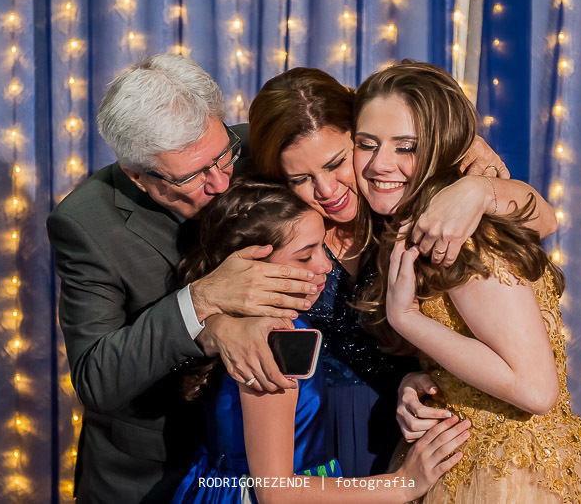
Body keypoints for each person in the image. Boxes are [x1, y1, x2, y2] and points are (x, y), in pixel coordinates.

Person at [354, 60, 581, 503]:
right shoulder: (417, 222)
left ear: (439, 148)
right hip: (465, 464)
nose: (379, 164)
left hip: (514, 478)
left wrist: (407, 318)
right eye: (366, 144)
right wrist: (424, 378)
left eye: (406, 147)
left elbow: (535, 390)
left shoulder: (464, 239)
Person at [247, 67, 558, 477]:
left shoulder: (408, 205)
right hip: (318, 430)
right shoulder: (282, 226)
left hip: (421, 435)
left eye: (338, 162)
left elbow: (545, 219)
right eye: (301, 179)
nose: (326, 190)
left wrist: (479, 190)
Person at [47, 54, 323, 502]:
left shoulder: (254, 147)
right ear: (139, 176)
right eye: (193, 175)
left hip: (282, 453)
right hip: (153, 474)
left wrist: (479, 175)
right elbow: (96, 377)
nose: (220, 182)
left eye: (222, 156)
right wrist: (201, 302)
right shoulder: (85, 223)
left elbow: (368, 128)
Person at [172, 177, 472, 503]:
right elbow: (277, 492)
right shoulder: (275, 340)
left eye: (320, 246)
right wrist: (402, 483)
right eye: (305, 257)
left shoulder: (238, 320)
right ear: (252, 265)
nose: (325, 265)